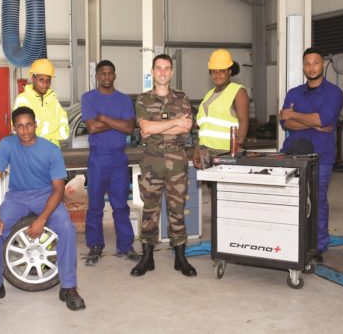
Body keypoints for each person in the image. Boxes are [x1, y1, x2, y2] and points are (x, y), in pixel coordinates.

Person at [0, 106, 86, 311]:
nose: (25, 131)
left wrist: (41, 219)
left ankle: (68, 287)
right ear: (14, 128)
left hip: (46, 195)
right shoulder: (7, 145)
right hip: (17, 198)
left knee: (67, 227)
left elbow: (58, 190)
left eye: (29, 125)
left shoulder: (50, 150)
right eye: (20, 127)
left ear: (35, 125)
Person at [131, 54, 197, 277]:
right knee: (150, 210)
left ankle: (180, 257)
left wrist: (159, 127)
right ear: (152, 71)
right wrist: (174, 122)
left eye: (166, 68)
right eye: (158, 68)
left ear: (171, 72)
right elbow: (145, 128)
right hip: (151, 161)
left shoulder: (182, 97)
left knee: (177, 211)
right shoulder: (143, 99)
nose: (162, 72)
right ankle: (147, 257)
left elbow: (186, 128)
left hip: (177, 162)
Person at [280, 47, 343, 262]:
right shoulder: (294, 92)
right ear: (303, 66)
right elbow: (284, 121)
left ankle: (318, 246)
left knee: (317, 201)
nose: (311, 67)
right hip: (292, 153)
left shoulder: (334, 93)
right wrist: (312, 122)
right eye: (307, 63)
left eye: (315, 63)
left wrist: (297, 116)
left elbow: (322, 120)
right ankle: (291, 240)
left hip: (321, 156)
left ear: (322, 64)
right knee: (288, 199)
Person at [81, 60, 140, 266]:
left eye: (110, 73)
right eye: (103, 73)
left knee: (120, 205)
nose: (107, 76)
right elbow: (92, 128)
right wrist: (118, 123)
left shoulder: (124, 99)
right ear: (97, 76)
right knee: (95, 205)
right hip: (98, 157)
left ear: (115, 75)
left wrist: (104, 117)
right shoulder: (88, 98)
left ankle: (125, 246)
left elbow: (129, 128)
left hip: (118, 157)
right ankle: (95, 246)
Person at [193, 49, 249, 169]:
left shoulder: (238, 91)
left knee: (223, 187)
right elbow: (203, 127)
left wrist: (237, 145)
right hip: (205, 152)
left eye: (222, 71)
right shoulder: (209, 95)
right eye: (214, 71)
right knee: (208, 187)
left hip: (225, 152)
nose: (217, 75)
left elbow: (244, 121)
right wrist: (197, 151)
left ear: (229, 71)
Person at [13, 58, 69, 147]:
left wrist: (41, 127)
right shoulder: (23, 99)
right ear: (33, 78)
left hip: (53, 151)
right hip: (31, 151)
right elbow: (24, 130)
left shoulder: (53, 99)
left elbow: (64, 130)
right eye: (41, 80)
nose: (45, 84)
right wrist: (54, 127)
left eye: (48, 80)